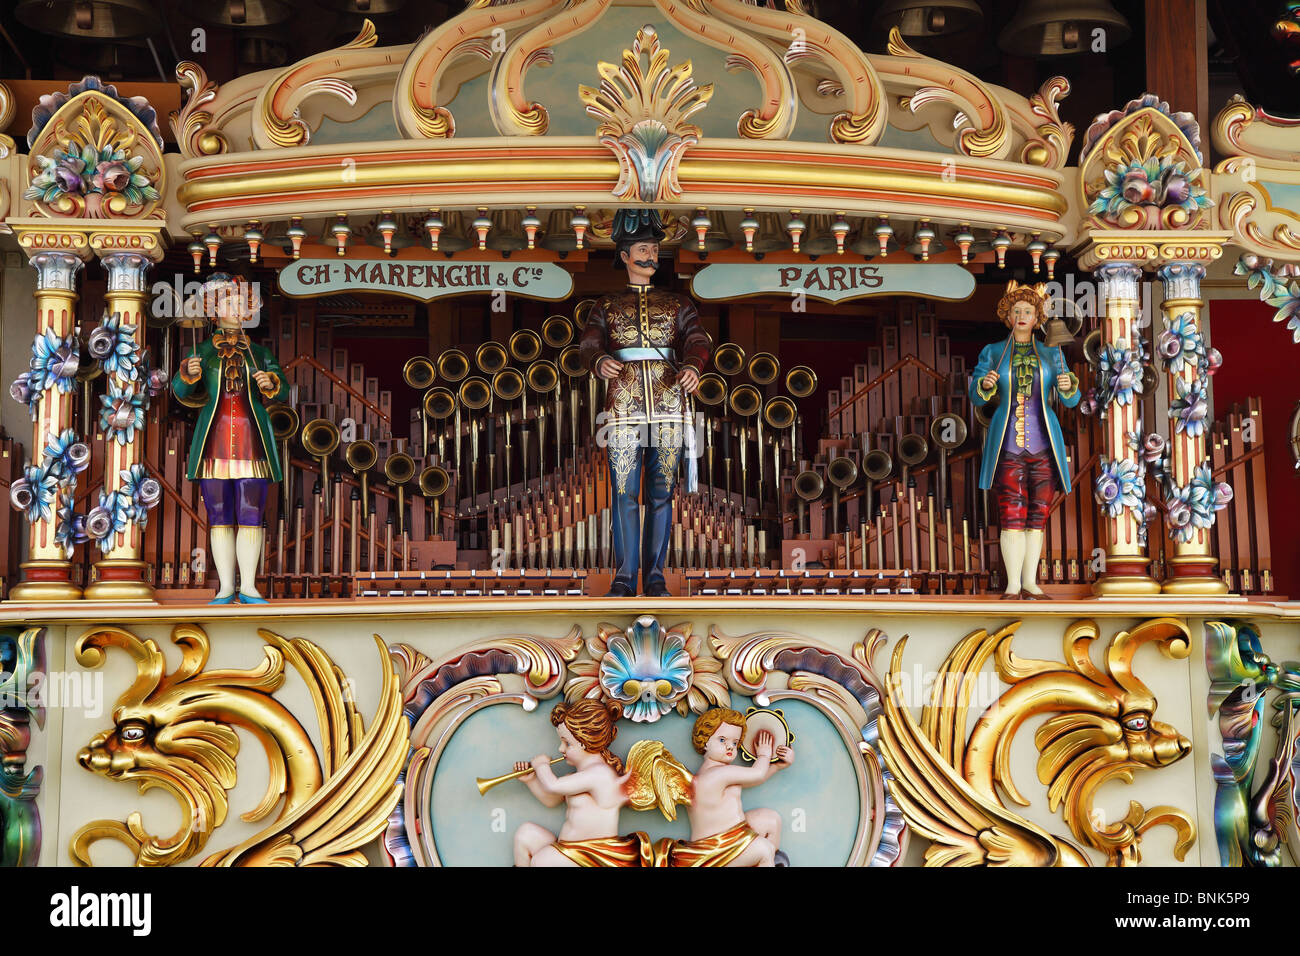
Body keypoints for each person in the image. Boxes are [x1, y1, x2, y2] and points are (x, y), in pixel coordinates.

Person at [578, 209, 712, 597]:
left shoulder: (677, 303)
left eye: (654, 248)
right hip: (622, 407)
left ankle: (654, 576)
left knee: (660, 491)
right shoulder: (606, 304)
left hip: (669, 405)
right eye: (643, 248)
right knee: (623, 491)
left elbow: (698, 340)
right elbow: (589, 342)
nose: (651, 254)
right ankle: (624, 575)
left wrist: (693, 365)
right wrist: (598, 360)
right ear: (624, 255)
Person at [171, 274, 290, 604]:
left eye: (241, 303)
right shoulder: (203, 352)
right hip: (214, 440)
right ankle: (225, 587)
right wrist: (186, 376)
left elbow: (284, 387)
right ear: (213, 309)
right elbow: (180, 391)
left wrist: (271, 383)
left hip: (253, 439)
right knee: (219, 513)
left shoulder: (260, 352)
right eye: (229, 302)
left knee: (252, 511)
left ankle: (249, 586)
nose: (236, 308)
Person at [969, 281, 1080, 599]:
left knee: (1037, 516)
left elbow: (1071, 401)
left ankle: (1030, 582)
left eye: (1028, 311)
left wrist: (1067, 384)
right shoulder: (992, 352)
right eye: (1016, 310)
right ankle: (1013, 584)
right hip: (1008, 447)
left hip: (1044, 446)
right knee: (1011, 513)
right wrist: (985, 385)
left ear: (1037, 317)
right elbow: (977, 398)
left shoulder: (1050, 351)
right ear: (1008, 315)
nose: (1022, 315)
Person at [511, 700, 652, 867]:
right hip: (570, 851)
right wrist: (531, 780)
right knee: (526, 834)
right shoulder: (579, 776)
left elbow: (553, 785)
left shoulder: (600, 774)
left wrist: (541, 766)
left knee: (543, 861)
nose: (561, 749)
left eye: (567, 743)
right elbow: (552, 799)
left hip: (592, 855)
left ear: (584, 741)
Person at [668, 707, 793, 867]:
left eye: (735, 743)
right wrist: (764, 755)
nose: (730, 747)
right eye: (722, 740)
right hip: (714, 850)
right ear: (705, 741)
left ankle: (758, 862)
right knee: (764, 849)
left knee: (770, 820)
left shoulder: (722, 772)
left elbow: (753, 780)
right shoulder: (716, 774)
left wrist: (777, 767)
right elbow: (757, 774)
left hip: (733, 835)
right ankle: (763, 859)